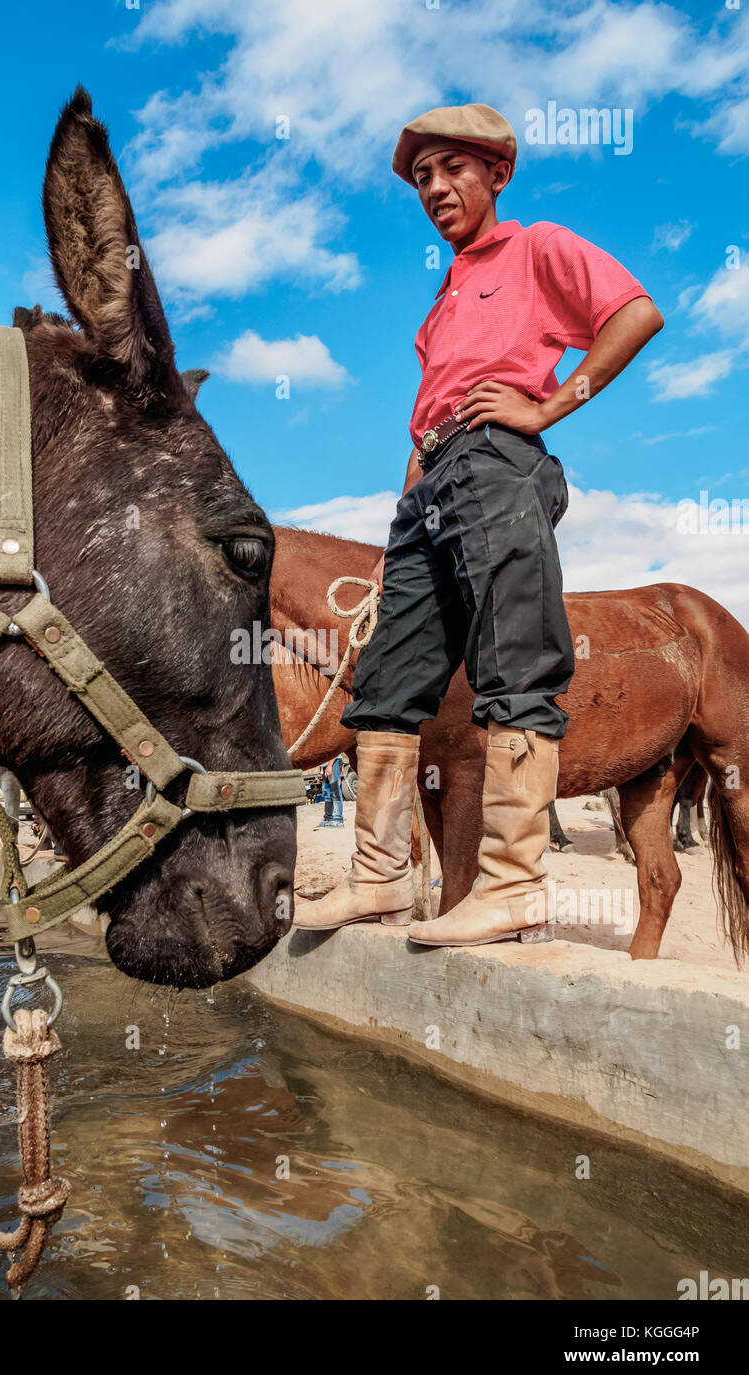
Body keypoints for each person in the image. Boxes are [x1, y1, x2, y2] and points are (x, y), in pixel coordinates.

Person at [295, 103, 663, 945]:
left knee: (514, 661)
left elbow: (636, 313)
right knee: (384, 690)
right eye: (423, 177)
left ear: (496, 173)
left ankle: (515, 884)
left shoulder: (536, 247)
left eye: (453, 168)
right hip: (430, 484)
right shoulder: (443, 298)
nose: (435, 187)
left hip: (498, 461)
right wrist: (402, 526)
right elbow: (423, 421)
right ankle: (382, 882)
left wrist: (549, 406)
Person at [315, 756, 345, 829]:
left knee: (335, 790)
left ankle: (338, 819)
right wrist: (320, 766)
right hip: (325, 764)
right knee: (326, 791)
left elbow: (336, 750)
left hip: (333, 762)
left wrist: (330, 765)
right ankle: (328, 818)